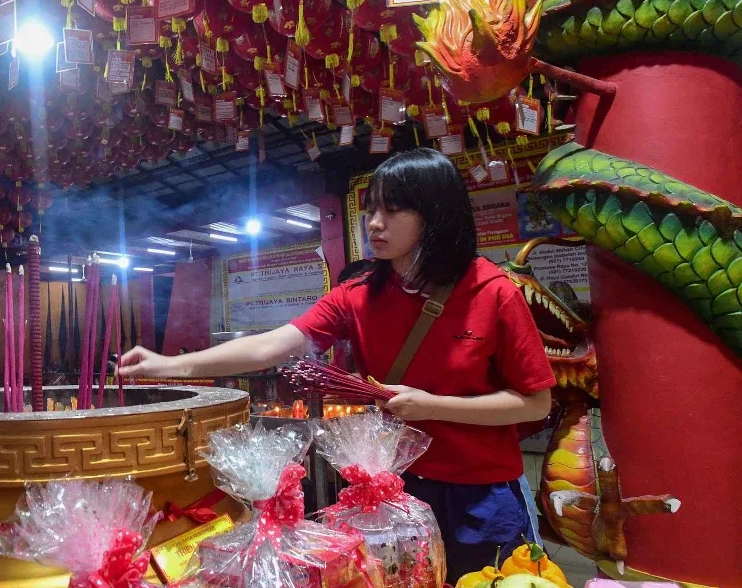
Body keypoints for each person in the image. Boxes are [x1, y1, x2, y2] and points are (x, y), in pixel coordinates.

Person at [118, 148, 555, 579]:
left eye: (393, 210)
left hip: (481, 496)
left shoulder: (495, 292)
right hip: (391, 491)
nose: (375, 224)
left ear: (436, 215)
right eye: (371, 210)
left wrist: (433, 406)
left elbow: (535, 404)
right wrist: (170, 364)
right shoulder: (359, 294)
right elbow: (273, 345)